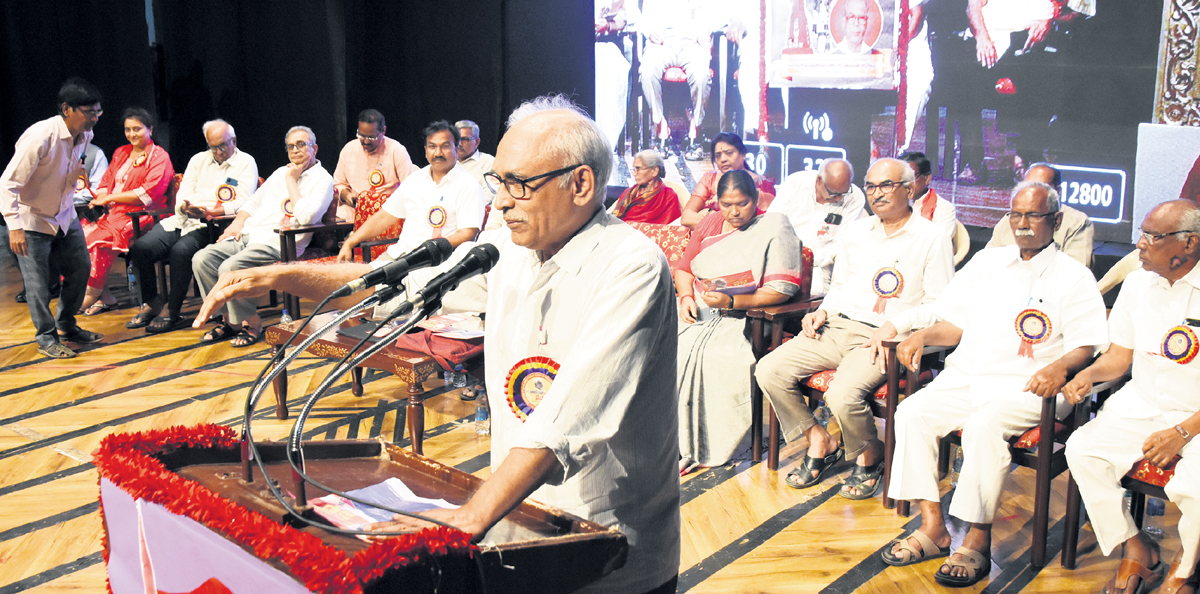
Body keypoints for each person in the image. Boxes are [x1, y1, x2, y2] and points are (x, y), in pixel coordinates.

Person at [191, 95, 681, 594]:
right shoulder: (508, 250)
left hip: (610, 546)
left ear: (581, 183)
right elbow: (391, 286)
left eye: (518, 184)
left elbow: (568, 416)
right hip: (518, 524)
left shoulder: (631, 266)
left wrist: (470, 516)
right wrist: (281, 275)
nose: (501, 201)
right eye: (498, 182)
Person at [880, 181, 1106, 587]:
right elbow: (954, 325)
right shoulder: (988, 262)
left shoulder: (1074, 276)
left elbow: (1085, 345)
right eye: (1015, 214)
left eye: (1033, 215)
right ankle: (933, 526)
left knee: (983, 426)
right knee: (911, 412)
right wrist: (923, 335)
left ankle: (977, 538)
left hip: (1032, 386)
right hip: (970, 376)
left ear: (1055, 221)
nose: (1022, 223)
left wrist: (1061, 366)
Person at [754, 158, 953, 496]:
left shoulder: (932, 238)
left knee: (841, 395)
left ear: (909, 189)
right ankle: (820, 440)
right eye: (871, 186)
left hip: (887, 339)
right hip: (839, 325)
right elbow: (840, 287)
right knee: (769, 369)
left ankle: (871, 454)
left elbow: (939, 306)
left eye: (886, 185)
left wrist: (896, 325)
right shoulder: (857, 231)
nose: (877, 193)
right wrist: (822, 311)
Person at [1064, 200, 1200, 594]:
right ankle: (1136, 546)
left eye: (1153, 236)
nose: (1140, 243)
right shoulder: (1139, 282)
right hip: (1142, 406)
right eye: (1142, 233)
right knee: (1082, 449)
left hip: (1195, 418)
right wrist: (1089, 374)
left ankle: (1186, 568)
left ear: (1189, 244)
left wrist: (1183, 431)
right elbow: (1118, 357)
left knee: (1195, 487)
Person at [676, 169, 801, 474]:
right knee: (665, 346)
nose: (734, 212)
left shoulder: (774, 225)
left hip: (750, 317)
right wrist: (686, 297)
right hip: (704, 309)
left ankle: (708, 445)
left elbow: (781, 289)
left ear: (756, 199)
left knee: (716, 356)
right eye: (726, 204)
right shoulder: (709, 222)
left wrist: (732, 302)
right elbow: (683, 269)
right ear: (716, 202)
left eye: (742, 204)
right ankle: (674, 442)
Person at [191, 125, 333, 347]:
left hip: (279, 242)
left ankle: (251, 322)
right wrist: (236, 224)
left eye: (301, 145)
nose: (295, 150)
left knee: (230, 268)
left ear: (314, 148)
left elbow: (307, 218)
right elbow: (252, 202)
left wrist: (291, 180)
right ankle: (230, 321)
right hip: (249, 234)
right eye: (291, 146)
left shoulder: (323, 179)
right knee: (202, 259)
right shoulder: (279, 172)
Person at [1, 78, 105, 359]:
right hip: (32, 219)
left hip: (64, 215)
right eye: (89, 112)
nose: (95, 118)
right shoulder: (40, 137)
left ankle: (67, 325)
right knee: (39, 284)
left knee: (80, 268)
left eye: (98, 112)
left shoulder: (85, 135)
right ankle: (46, 338)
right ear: (67, 109)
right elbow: (8, 184)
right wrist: (14, 227)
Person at [125, 119, 259, 333]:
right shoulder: (198, 159)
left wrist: (212, 212)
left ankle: (172, 310)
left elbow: (244, 199)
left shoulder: (245, 162)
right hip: (183, 219)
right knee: (141, 248)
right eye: (213, 147)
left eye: (222, 146)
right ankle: (152, 302)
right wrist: (185, 207)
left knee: (181, 251)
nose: (217, 152)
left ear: (233, 141)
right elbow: (184, 191)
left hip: (214, 223)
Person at [337, 121, 485, 262]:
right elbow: (383, 217)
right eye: (432, 146)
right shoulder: (414, 180)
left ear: (456, 149)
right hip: (400, 255)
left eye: (445, 146)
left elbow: (468, 233)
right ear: (425, 150)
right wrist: (351, 241)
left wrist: (428, 249)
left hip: (440, 261)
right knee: (361, 277)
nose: (438, 153)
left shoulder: (469, 185)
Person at [79, 107, 175, 315]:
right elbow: (106, 182)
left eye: (137, 129)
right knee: (80, 235)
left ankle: (91, 292)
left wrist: (110, 198)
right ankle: (104, 295)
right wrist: (101, 199)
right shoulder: (121, 152)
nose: (132, 134)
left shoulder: (159, 156)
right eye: (128, 129)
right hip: (113, 212)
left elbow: (148, 194)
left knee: (100, 239)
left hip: (143, 215)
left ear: (150, 129)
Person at [766, 158, 867, 296]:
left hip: (821, 266)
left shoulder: (854, 197)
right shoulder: (795, 183)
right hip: (782, 258)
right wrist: (789, 256)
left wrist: (808, 259)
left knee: (816, 292)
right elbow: (773, 223)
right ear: (819, 180)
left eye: (843, 193)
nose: (839, 199)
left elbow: (840, 244)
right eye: (834, 193)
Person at [987, 163, 1094, 266]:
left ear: (1058, 191)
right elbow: (986, 264)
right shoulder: (1008, 220)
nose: (1032, 192)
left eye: (1041, 187)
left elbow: (1075, 272)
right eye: (1027, 186)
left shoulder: (1077, 222)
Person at [332, 109, 413, 223]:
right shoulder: (349, 149)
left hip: (386, 214)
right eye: (361, 135)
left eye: (371, 137)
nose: (365, 141)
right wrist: (347, 195)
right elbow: (338, 183)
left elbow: (411, 187)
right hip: (354, 213)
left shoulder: (396, 150)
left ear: (383, 131)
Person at [680, 132, 776, 228]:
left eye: (729, 153)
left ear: (743, 154)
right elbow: (686, 217)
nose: (723, 159)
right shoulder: (709, 180)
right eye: (718, 155)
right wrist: (718, 227)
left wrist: (710, 219)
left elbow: (765, 224)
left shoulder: (761, 184)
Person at [610, 149, 681, 224]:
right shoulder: (629, 193)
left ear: (654, 171)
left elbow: (673, 227)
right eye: (634, 169)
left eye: (638, 169)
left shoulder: (668, 197)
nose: (634, 174)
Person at [900, 151, 956, 240]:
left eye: (911, 177)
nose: (905, 183)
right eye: (900, 178)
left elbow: (940, 242)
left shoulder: (944, 208)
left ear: (927, 178)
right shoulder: (894, 204)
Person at [454, 119, 495, 192]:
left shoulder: (487, 162)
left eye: (464, 139)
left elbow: (491, 193)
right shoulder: (446, 162)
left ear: (476, 142)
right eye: (457, 139)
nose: (459, 144)